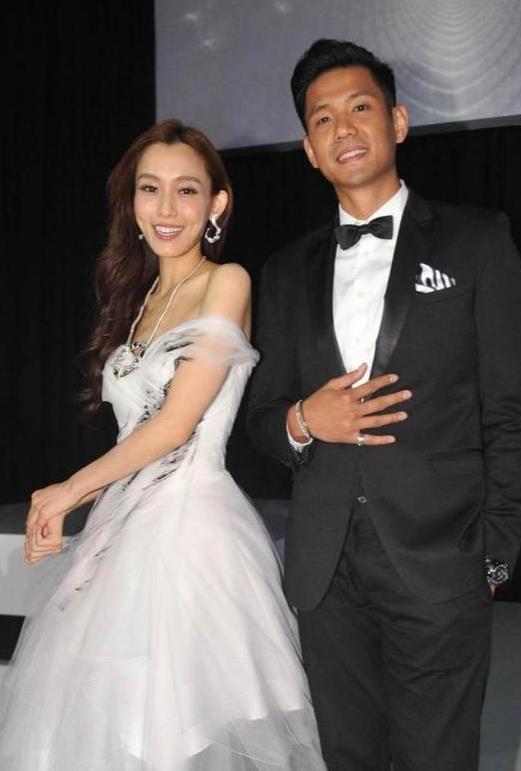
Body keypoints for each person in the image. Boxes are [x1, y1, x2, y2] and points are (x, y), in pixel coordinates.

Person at [0, 119, 326, 771]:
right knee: (106, 724)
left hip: (189, 534)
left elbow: (177, 425)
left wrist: (67, 491)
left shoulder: (227, 282)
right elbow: (136, 430)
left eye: (186, 190)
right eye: (150, 189)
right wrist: (80, 500)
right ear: (132, 202)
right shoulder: (141, 296)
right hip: (122, 530)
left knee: (174, 729)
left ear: (216, 203)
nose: (167, 208)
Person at [246, 39, 521, 771]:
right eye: (322, 119)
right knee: (348, 757)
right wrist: (303, 421)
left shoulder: (477, 241)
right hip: (324, 568)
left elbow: (512, 408)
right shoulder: (283, 271)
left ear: (397, 122)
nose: (342, 128)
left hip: (441, 558)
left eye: (359, 108)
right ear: (309, 150)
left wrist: (494, 551)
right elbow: (260, 415)